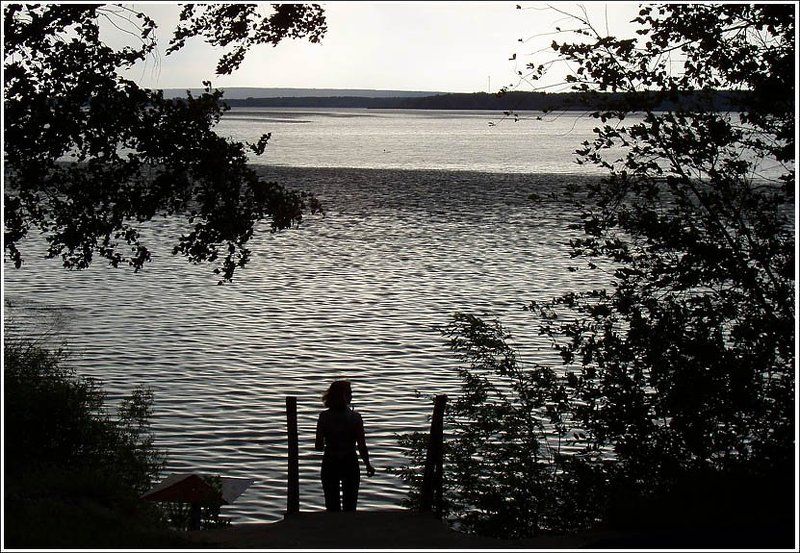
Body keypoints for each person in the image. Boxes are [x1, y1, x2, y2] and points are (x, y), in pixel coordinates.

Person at [314, 380, 375, 511]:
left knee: (332, 505)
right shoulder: (355, 417)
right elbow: (362, 445)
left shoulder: (324, 417)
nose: (352, 396)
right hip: (350, 461)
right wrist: (368, 464)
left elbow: (318, 446)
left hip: (330, 461)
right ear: (343, 396)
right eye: (349, 393)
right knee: (350, 505)